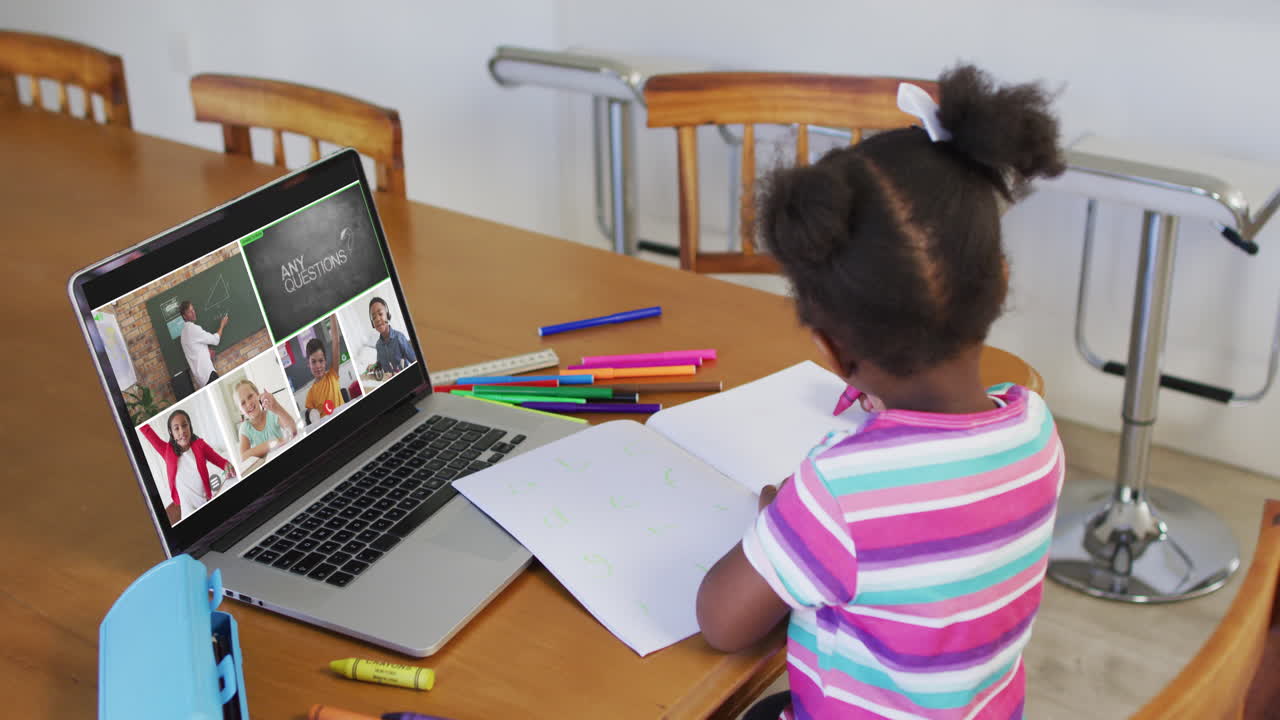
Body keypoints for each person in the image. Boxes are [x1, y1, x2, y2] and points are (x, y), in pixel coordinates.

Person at [696, 65, 1068, 720]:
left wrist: (780, 525)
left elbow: (721, 623)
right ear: (1000, 282)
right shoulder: (1037, 428)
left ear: (831, 348)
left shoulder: (838, 495)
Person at [139, 408, 235, 521]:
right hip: (187, 509)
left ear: (190, 426)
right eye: (176, 428)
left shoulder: (200, 445)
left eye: (185, 425)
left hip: (206, 501)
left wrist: (227, 466)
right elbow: (147, 432)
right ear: (171, 433)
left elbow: (221, 461)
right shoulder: (166, 451)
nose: (182, 431)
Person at [236, 379, 298, 462]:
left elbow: (293, 430)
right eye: (243, 403)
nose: (248, 403)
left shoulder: (272, 414)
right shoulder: (245, 428)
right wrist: (273, 443)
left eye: (250, 396)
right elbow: (244, 457)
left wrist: (277, 407)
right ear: (240, 410)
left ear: (258, 394)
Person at [178, 300, 228, 390]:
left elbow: (194, 350)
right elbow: (215, 340)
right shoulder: (193, 329)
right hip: (208, 375)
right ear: (184, 316)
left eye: (193, 310)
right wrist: (222, 325)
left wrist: (206, 352)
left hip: (201, 380)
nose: (193, 313)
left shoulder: (183, 334)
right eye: (189, 312)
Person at [304, 317, 346, 419]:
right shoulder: (310, 395)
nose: (318, 366)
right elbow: (313, 418)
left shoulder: (333, 374)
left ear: (325, 361)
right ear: (308, 364)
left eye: (321, 361)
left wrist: (332, 315)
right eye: (313, 362)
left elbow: (336, 342)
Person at [368, 296, 415, 375]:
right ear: (372, 323)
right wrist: (374, 365)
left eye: (380, 314)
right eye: (374, 317)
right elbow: (380, 363)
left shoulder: (399, 338)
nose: (377, 319)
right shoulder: (378, 345)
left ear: (387, 315)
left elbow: (414, 361)